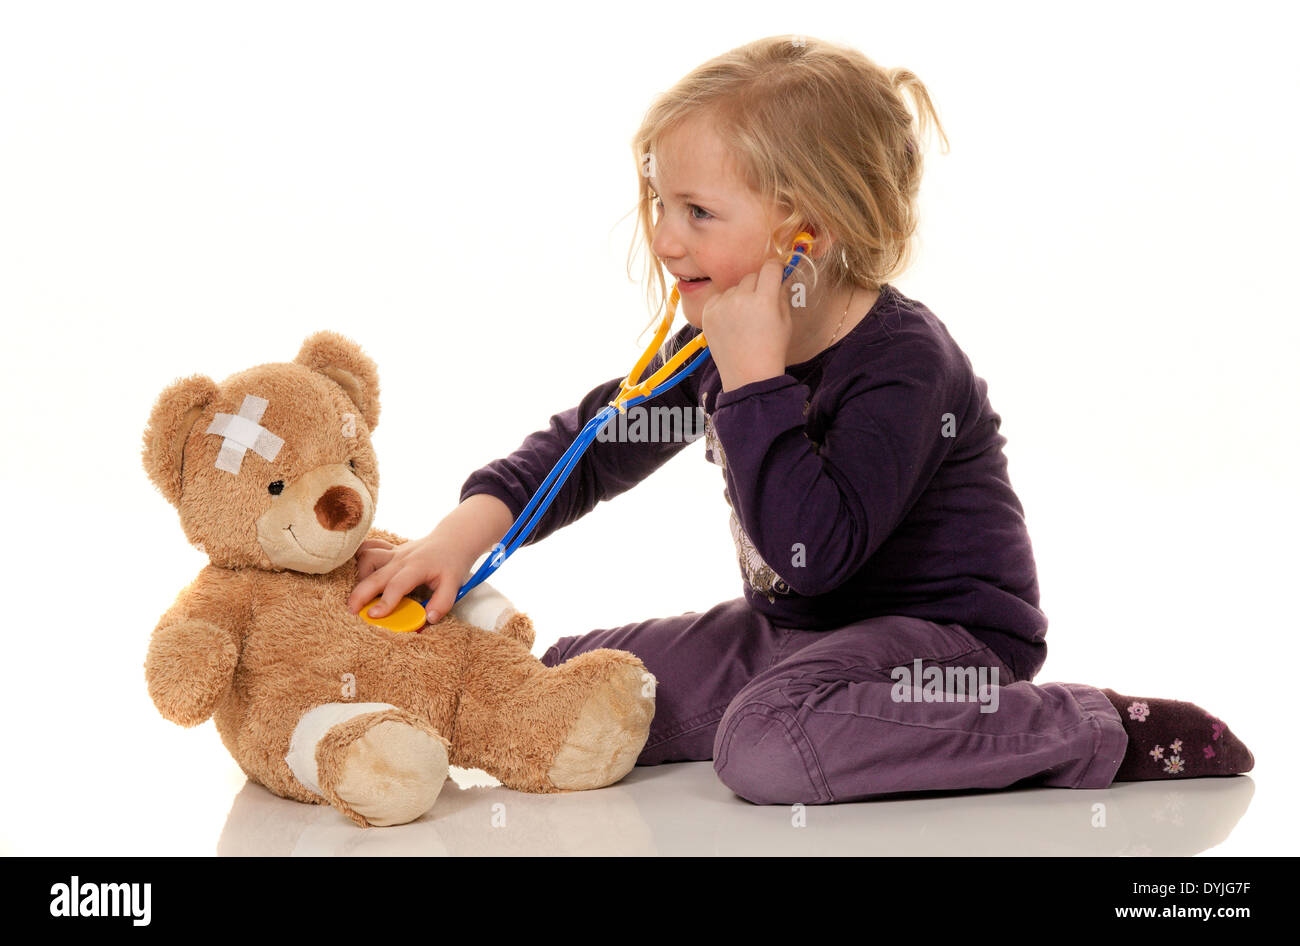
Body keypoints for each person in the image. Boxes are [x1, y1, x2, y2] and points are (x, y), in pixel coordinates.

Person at [347, 35, 1252, 804]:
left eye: (698, 212)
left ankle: (1097, 730)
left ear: (803, 234)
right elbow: (593, 448)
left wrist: (753, 380)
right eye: (663, 203)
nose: (665, 238)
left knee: (769, 746)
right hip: (804, 635)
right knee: (573, 680)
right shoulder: (717, 341)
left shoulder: (903, 363)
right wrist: (459, 539)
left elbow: (813, 557)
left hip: (948, 648)